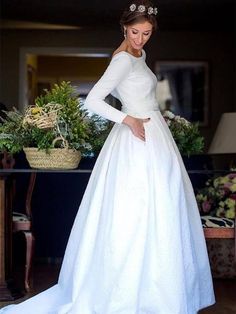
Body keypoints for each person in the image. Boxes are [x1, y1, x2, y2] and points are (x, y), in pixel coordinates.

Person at [0, 1, 215, 313]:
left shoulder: (140, 55)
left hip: (155, 138)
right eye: (134, 32)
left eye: (146, 33)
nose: (140, 39)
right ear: (123, 28)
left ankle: (159, 291)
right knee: (135, 210)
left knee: (162, 209)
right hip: (135, 138)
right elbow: (94, 100)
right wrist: (128, 120)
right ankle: (128, 291)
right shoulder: (122, 61)